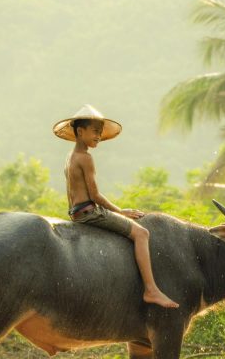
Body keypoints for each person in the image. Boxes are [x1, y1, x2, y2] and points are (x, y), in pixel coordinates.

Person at [53, 104, 178, 308]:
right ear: (80, 131)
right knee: (142, 234)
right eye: (95, 131)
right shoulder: (85, 158)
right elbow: (94, 195)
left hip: (75, 213)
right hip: (90, 213)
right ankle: (151, 289)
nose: (99, 136)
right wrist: (121, 212)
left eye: (100, 132)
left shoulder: (70, 157)